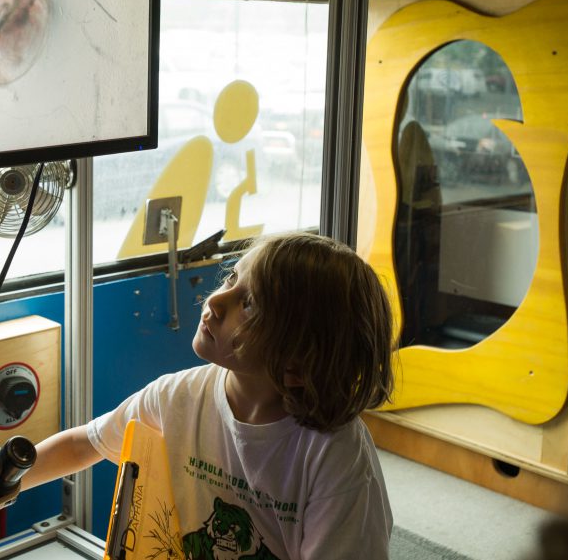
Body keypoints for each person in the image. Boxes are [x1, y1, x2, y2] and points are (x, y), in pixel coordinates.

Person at [22, 231, 396, 559]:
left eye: (249, 303)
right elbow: (85, 444)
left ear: (297, 365)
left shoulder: (338, 458)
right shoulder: (177, 396)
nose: (216, 301)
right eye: (232, 278)